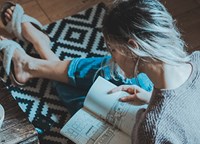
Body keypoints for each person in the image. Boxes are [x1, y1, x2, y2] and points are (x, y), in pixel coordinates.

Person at [1, 0, 199, 143]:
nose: (113, 56)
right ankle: (35, 59)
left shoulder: (154, 129)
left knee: (88, 97)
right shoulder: (197, 59)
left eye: (113, 49)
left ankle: (38, 55)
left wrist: (151, 112)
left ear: (134, 46)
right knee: (108, 70)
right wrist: (150, 98)